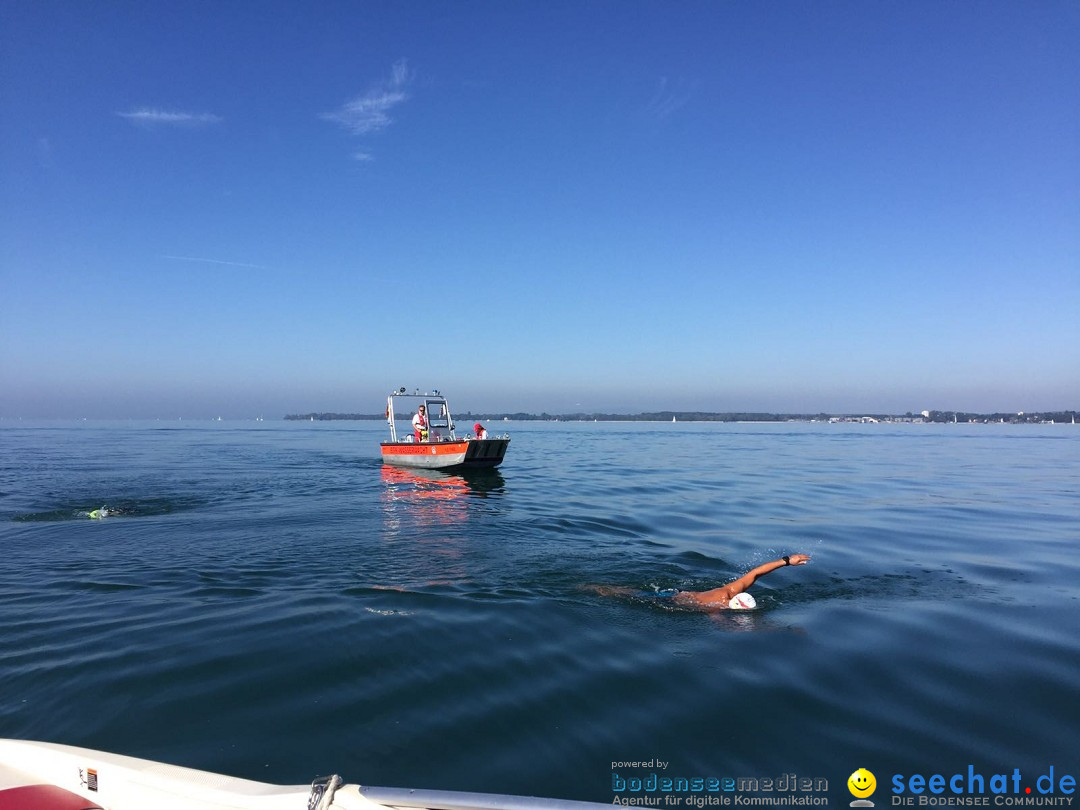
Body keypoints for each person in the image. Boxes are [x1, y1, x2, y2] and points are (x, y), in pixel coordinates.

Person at [589, 554, 811, 611]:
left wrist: (786, 561)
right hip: (672, 598)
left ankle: (601, 588)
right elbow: (720, 623)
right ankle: (598, 589)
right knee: (629, 595)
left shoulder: (730, 590)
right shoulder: (718, 607)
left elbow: (756, 573)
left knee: (633, 592)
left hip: (679, 591)